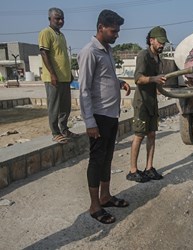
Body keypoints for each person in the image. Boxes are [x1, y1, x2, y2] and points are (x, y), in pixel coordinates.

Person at [78, 9, 131, 224]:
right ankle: (94, 206)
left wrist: (119, 83)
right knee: (96, 160)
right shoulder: (89, 51)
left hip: (111, 115)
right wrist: (89, 122)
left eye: (118, 31)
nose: (117, 35)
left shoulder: (106, 50)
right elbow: (83, 90)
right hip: (98, 117)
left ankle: (106, 196)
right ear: (101, 28)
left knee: (108, 158)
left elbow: (104, 79)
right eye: (113, 31)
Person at [126, 26, 168, 183]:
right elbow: (138, 78)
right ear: (151, 40)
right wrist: (154, 79)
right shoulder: (143, 55)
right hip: (142, 102)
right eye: (160, 42)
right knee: (139, 135)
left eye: (163, 42)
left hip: (152, 102)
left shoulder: (158, 58)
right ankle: (133, 170)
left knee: (151, 134)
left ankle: (149, 168)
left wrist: (159, 86)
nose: (162, 45)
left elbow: (157, 82)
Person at [39, 7, 77, 144]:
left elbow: (62, 57)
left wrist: (69, 74)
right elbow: (44, 53)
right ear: (50, 19)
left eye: (62, 18)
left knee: (65, 106)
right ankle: (55, 132)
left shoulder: (61, 35)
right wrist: (53, 74)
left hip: (65, 77)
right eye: (57, 18)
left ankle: (64, 129)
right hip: (53, 78)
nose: (60, 21)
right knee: (54, 106)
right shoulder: (46, 33)